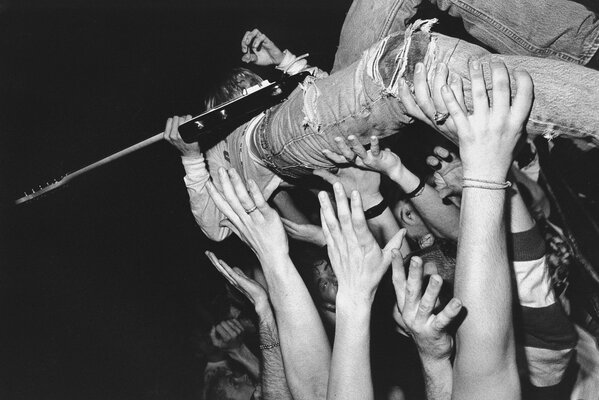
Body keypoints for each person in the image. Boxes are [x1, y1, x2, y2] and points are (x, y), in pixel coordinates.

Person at [166, 24, 599, 242]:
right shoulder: (224, 157)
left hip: (320, 105)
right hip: (277, 146)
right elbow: (215, 228)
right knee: (406, 65)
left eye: (249, 85)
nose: (250, 91)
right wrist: (190, 156)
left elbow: (327, 96)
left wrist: (282, 64)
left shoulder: (285, 95)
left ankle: (585, 43)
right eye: (238, 93)